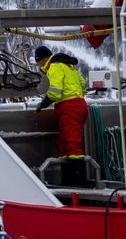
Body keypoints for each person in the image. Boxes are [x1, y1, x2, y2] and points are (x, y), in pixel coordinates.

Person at [34, 45, 89, 186]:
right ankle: (68, 181)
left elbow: (55, 92)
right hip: (77, 105)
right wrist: (77, 95)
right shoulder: (68, 66)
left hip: (69, 108)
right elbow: (83, 84)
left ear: (44, 59)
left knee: (72, 146)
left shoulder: (54, 66)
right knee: (64, 146)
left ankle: (78, 184)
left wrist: (43, 103)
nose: (39, 66)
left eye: (39, 62)